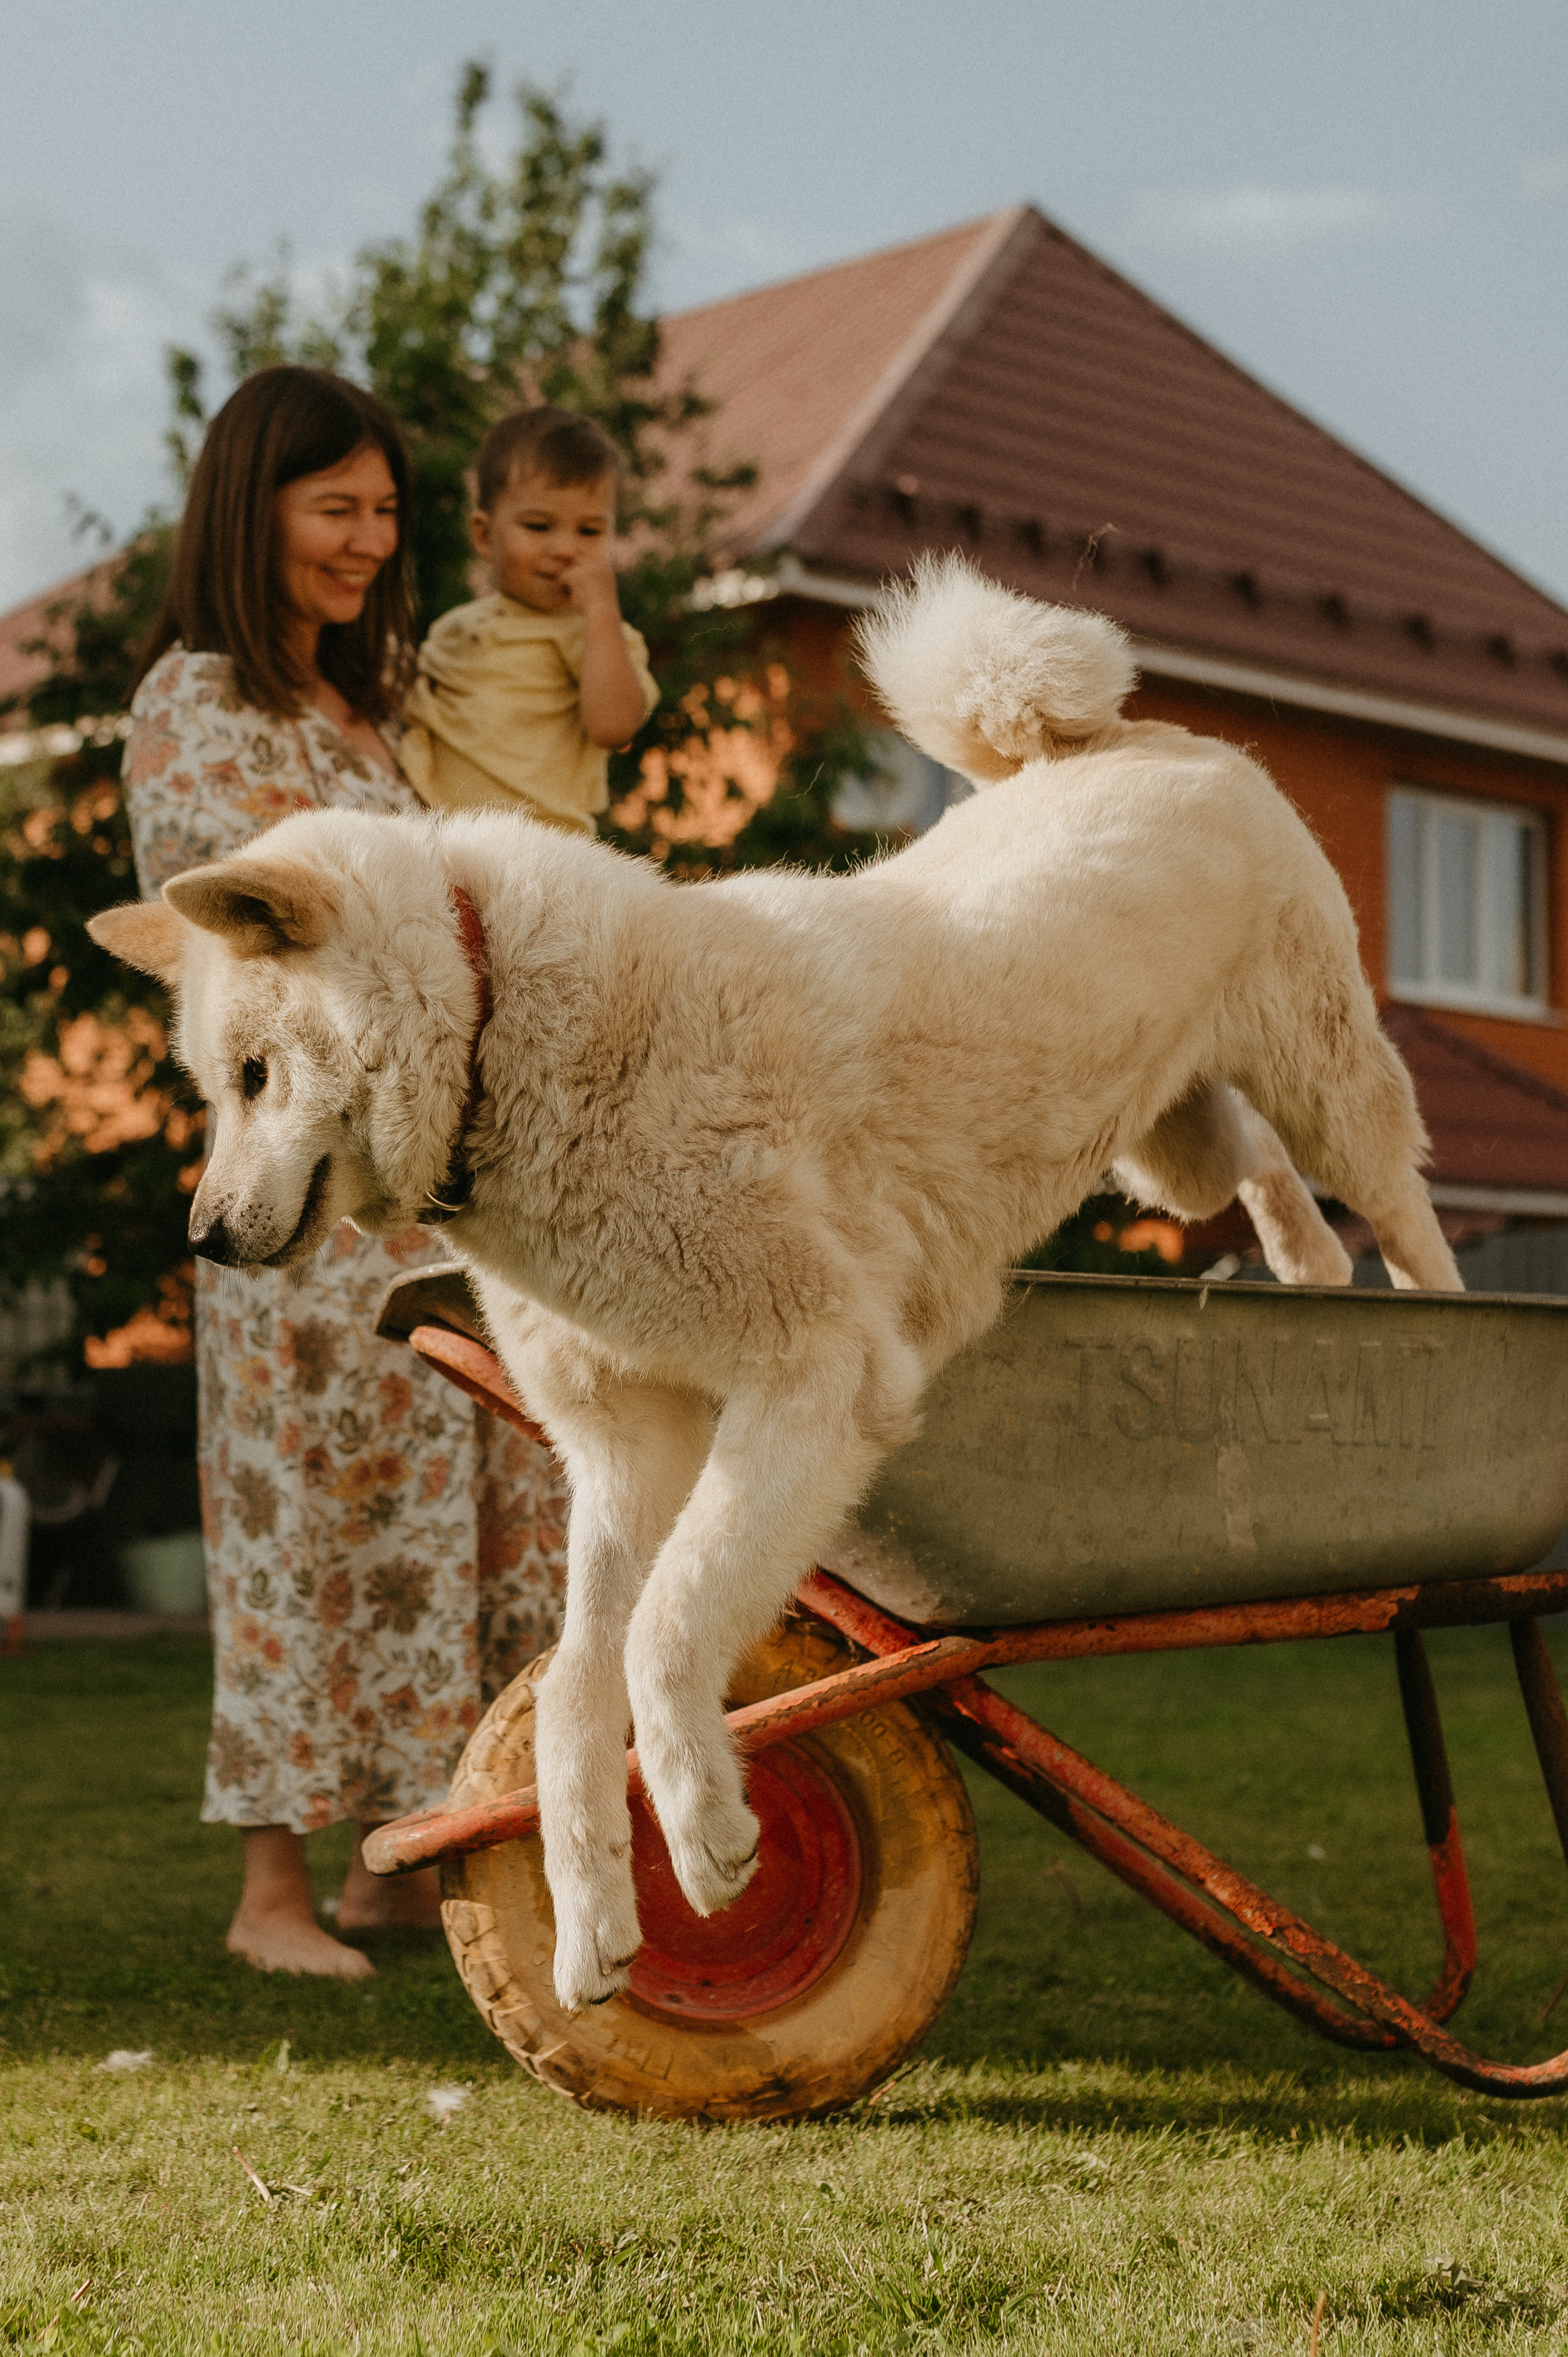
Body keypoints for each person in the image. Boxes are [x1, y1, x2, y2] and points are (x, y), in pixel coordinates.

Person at [123, 365, 569, 1979]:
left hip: (419, 1193)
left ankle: (397, 1870)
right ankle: (270, 1898)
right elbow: (244, 924)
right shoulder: (197, 703)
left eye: (385, 510)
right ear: (256, 510)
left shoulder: (361, 718)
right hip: (295, 1193)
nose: (371, 538)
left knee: (447, 1535)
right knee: (304, 1530)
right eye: (337, 507)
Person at [400, 405, 659, 829]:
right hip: (441, 839)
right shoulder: (454, 629)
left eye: (590, 531)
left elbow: (613, 728)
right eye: (539, 526)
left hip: (544, 845)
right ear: (485, 536)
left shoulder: (597, 635)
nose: (565, 549)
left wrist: (600, 613)